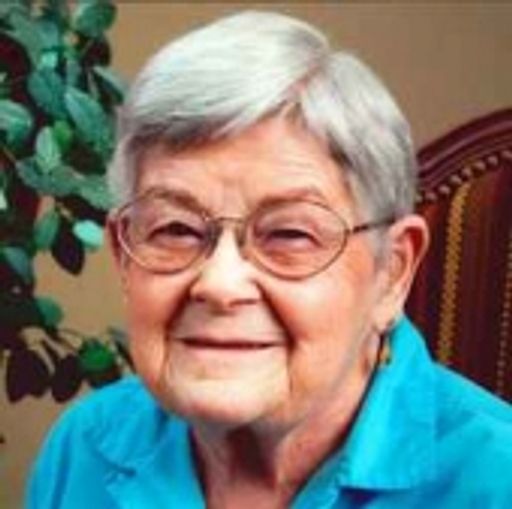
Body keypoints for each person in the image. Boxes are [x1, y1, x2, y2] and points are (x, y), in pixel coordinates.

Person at [26, 10, 512, 509]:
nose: (220, 284)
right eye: (176, 229)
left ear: (392, 272)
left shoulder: (497, 481)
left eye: (289, 234)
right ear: (125, 258)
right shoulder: (84, 449)